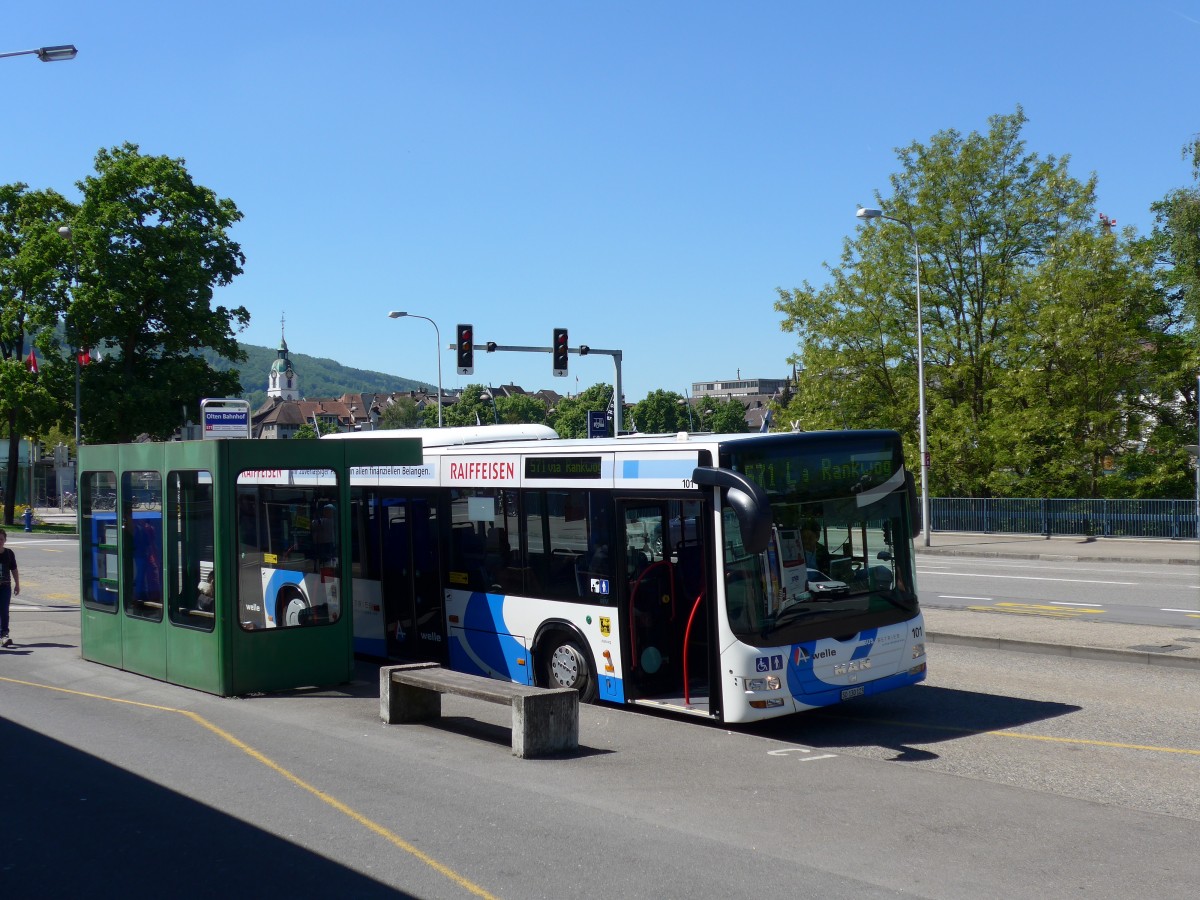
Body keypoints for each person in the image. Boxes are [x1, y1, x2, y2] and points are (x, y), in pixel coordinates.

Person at [0, 528, 20, 647]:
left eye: (1, 539)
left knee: (4, 611)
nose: (0, 541)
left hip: (5, 587)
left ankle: (4, 635)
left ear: (5, 540)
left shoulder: (9, 553)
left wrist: (17, 584)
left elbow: (14, 569)